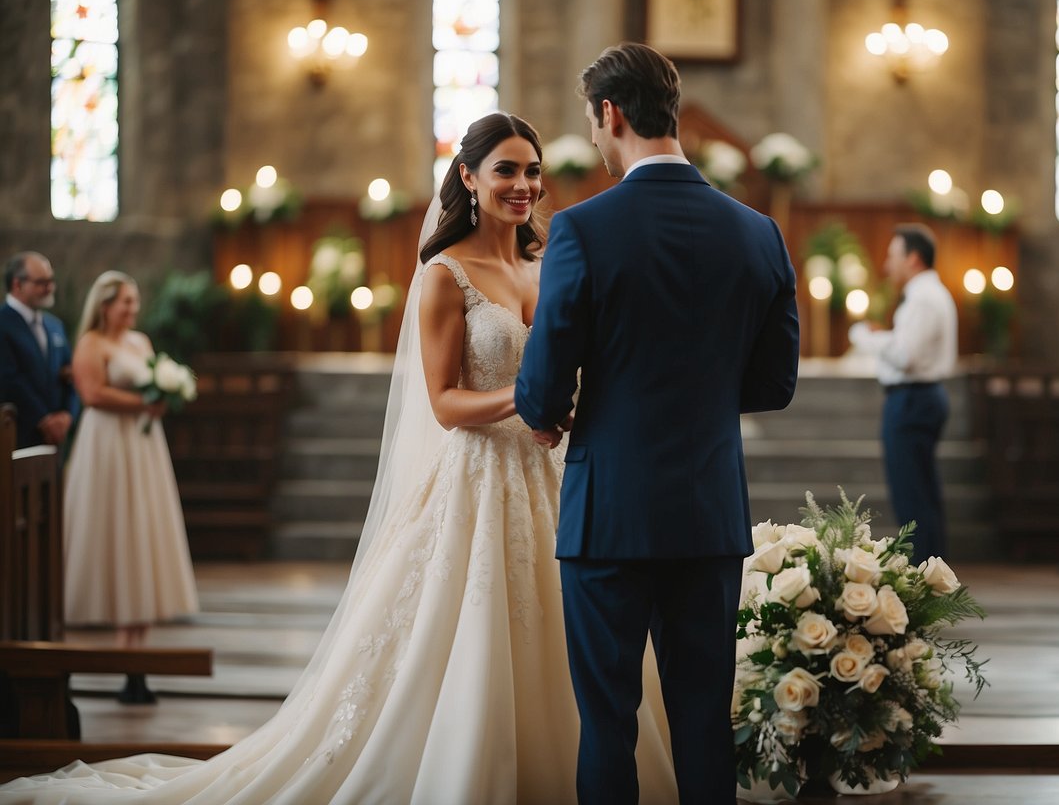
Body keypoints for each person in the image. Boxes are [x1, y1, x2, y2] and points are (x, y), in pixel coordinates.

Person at [0, 113, 677, 804]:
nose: (523, 185)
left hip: (549, 481)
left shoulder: (547, 264)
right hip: (476, 481)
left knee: (568, 643)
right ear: (467, 178)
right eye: (505, 169)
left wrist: (564, 406)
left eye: (532, 171)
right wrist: (525, 401)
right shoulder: (446, 275)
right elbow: (445, 403)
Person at [515, 42, 801, 805]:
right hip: (707, 513)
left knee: (608, 720)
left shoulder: (582, 230)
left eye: (594, 124)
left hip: (609, 513)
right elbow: (774, 385)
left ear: (611, 114)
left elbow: (542, 385)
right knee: (704, 720)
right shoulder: (758, 233)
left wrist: (550, 415)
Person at [64, 271, 199, 704]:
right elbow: (92, 394)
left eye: (135, 301)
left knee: (142, 534)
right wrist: (146, 401)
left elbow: (154, 381)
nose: (132, 309)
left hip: (142, 447)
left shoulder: (140, 342)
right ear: (104, 306)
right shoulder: (91, 344)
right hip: (106, 446)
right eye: (125, 302)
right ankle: (123, 664)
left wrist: (163, 396)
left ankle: (136, 660)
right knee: (116, 534)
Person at [848, 224, 957, 565]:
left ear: (913, 258)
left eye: (892, 256)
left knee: (912, 498)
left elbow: (904, 355)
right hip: (918, 398)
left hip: (913, 400)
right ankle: (930, 572)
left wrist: (863, 336)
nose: (886, 264)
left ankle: (922, 573)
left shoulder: (924, 296)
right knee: (920, 494)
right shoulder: (926, 294)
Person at [0, 252, 76, 450]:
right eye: (41, 282)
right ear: (17, 284)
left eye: (51, 280)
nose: (50, 287)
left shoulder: (55, 326)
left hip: (57, 437)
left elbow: (71, 374)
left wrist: (67, 415)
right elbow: (9, 378)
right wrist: (43, 419)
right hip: (18, 434)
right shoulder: (3, 323)